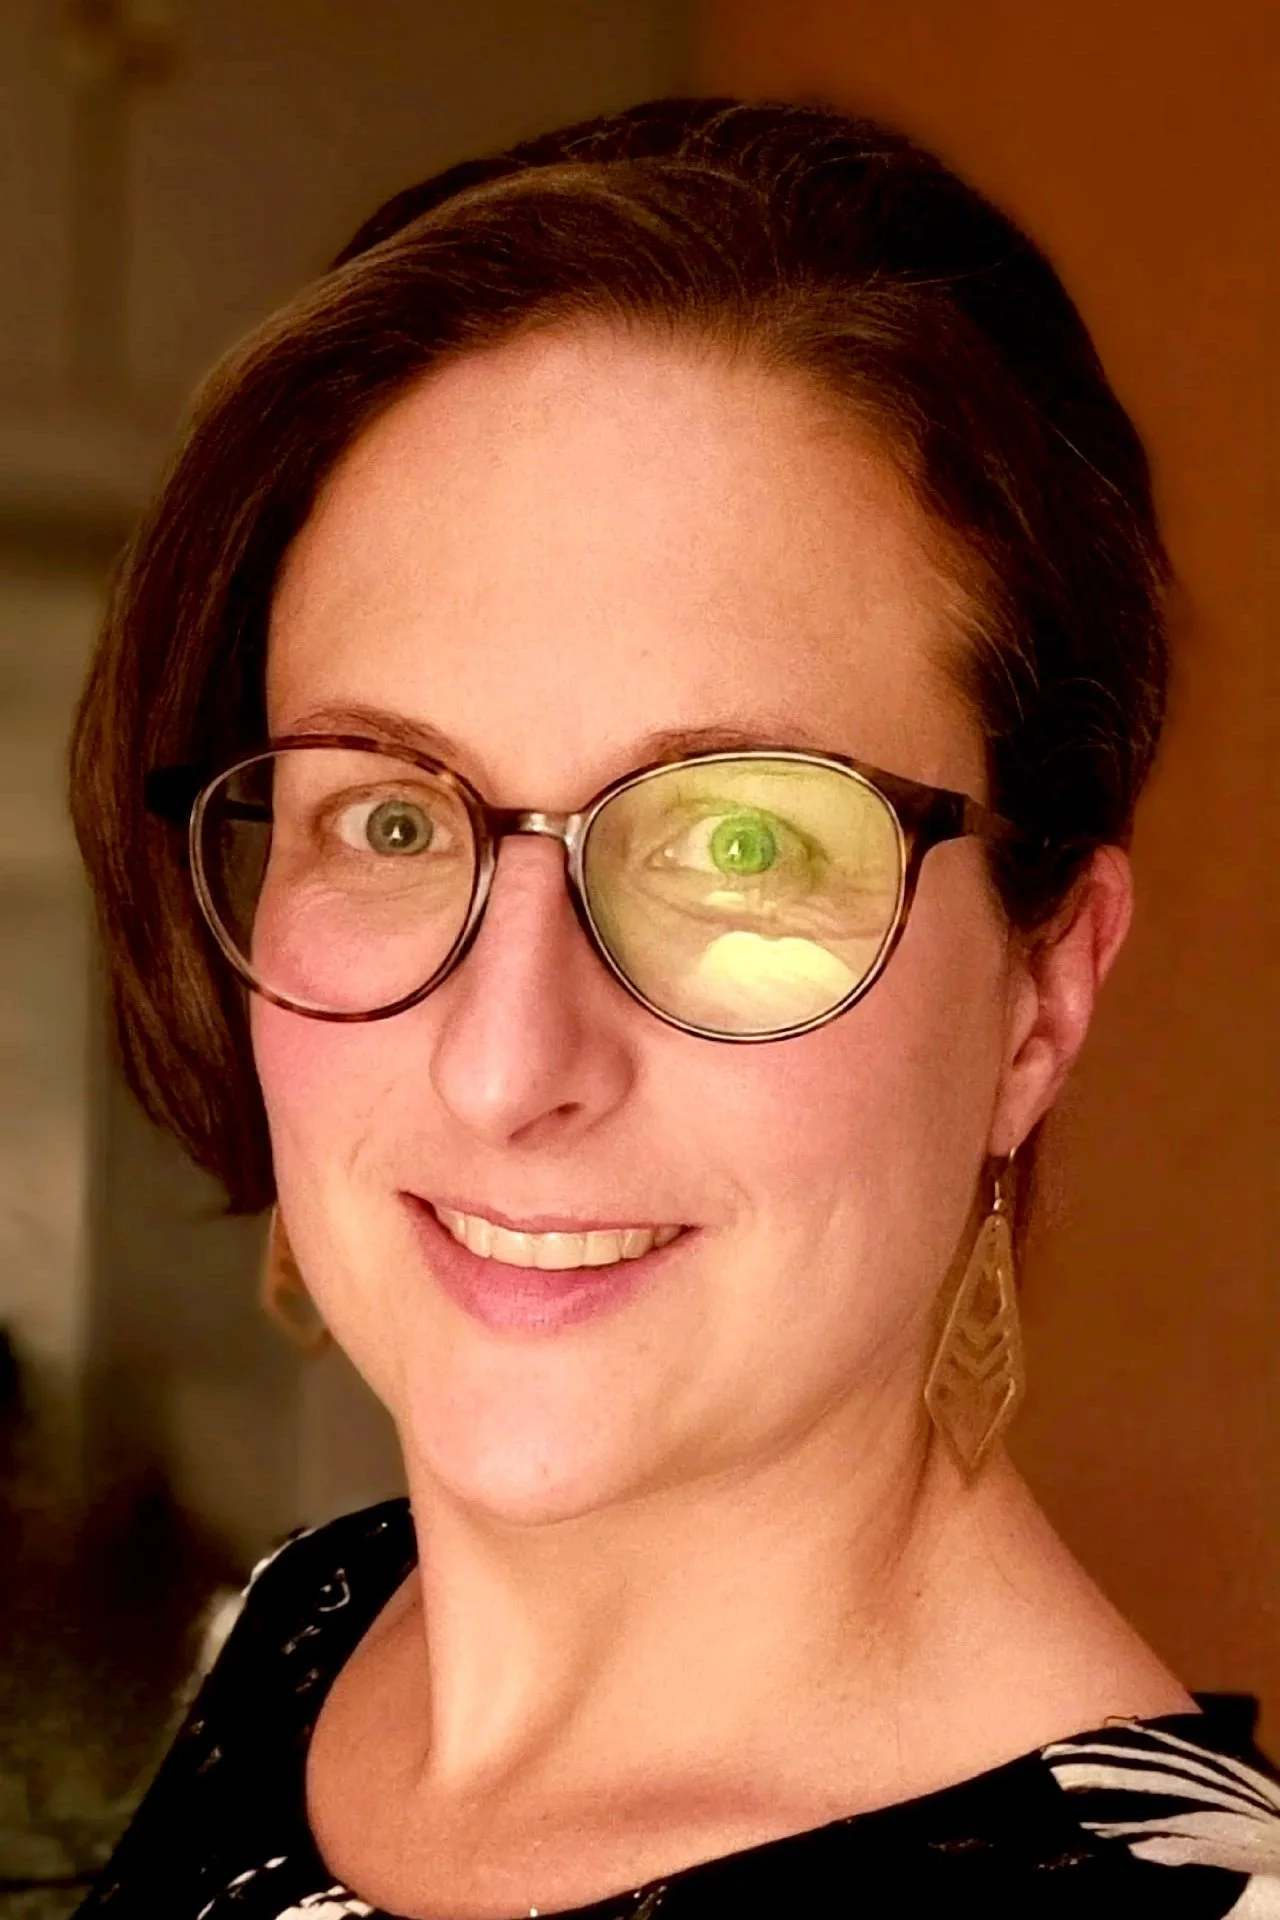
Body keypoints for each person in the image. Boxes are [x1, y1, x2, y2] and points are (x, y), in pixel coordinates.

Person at [69, 98, 1279, 1918]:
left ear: (1042, 994)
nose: (504, 1060)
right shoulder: (316, 1627)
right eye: (390, 817)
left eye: (739, 840)